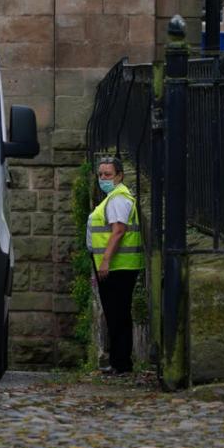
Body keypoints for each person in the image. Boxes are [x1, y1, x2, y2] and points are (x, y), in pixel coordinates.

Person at [86, 156, 142, 375]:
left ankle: (122, 364)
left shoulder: (118, 199)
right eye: (100, 174)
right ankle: (119, 362)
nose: (103, 178)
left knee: (118, 315)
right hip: (116, 266)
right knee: (115, 315)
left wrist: (106, 261)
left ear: (119, 176)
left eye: (108, 174)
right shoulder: (113, 197)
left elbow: (118, 231)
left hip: (119, 267)